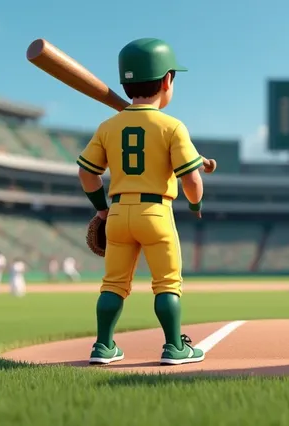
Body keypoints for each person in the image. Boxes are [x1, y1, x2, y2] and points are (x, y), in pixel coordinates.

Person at [76, 38, 206, 366]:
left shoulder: (109, 126)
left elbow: (87, 173)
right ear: (166, 81)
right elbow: (191, 181)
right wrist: (194, 205)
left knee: (114, 283)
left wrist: (102, 209)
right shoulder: (172, 126)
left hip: (118, 213)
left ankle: (103, 346)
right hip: (156, 213)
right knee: (166, 284)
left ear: (125, 83)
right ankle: (175, 347)